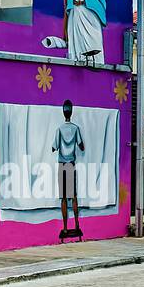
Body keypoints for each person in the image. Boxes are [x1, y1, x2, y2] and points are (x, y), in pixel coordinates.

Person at [52, 99, 86, 233]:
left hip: (62, 165)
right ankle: (77, 224)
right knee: (74, 197)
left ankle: (65, 228)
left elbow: (53, 147)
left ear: (63, 112)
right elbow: (81, 146)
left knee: (64, 198)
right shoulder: (76, 128)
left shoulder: (59, 129)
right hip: (71, 165)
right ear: (71, 112)